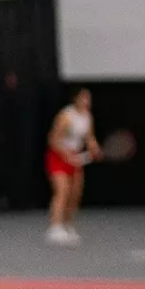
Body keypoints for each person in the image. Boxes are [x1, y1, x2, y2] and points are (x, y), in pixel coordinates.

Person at [45, 87, 102, 246]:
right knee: (62, 191)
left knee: (75, 195)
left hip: (75, 158)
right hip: (57, 157)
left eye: (88, 98)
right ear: (76, 99)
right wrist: (66, 155)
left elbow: (89, 138)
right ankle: (54, 228)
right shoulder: (65, 117)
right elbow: (53, 139)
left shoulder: (87, 117)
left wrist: (94, 148)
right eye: (84, 98)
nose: (87, 102)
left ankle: (68, 227)